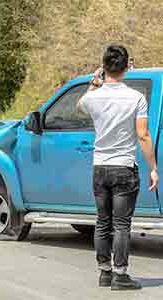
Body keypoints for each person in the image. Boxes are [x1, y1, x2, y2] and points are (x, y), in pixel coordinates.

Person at [78, 45, 159, 290]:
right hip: (124, 167)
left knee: (102, 221)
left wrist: (94, 83)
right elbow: (143, 135)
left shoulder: (93, 97)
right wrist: (154, 167)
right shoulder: (135, 98)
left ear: (104, 67)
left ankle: (104, 273)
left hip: (100, 167)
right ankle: (120, 275)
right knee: (122, 224)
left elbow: (80, 106)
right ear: (126, 68)